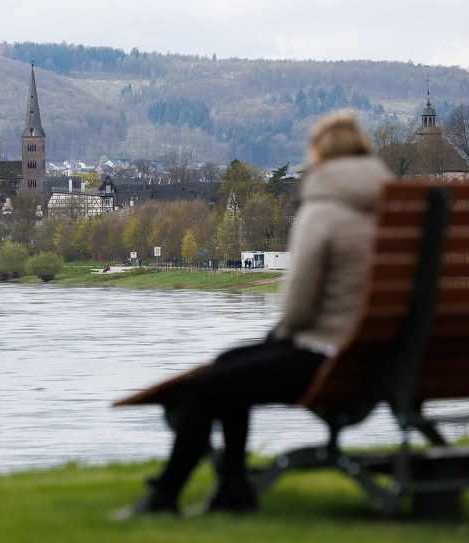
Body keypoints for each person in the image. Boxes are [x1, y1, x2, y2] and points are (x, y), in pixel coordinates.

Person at [114, 111, 392, 518]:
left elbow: (297, 311)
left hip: (327, 358)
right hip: (380, 359)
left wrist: (287, 327)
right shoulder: (391, 208)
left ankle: (166, 495)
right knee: (229, 364)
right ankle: (232, 487)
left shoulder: (323, 210)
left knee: (207, 385)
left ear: (320, 156)